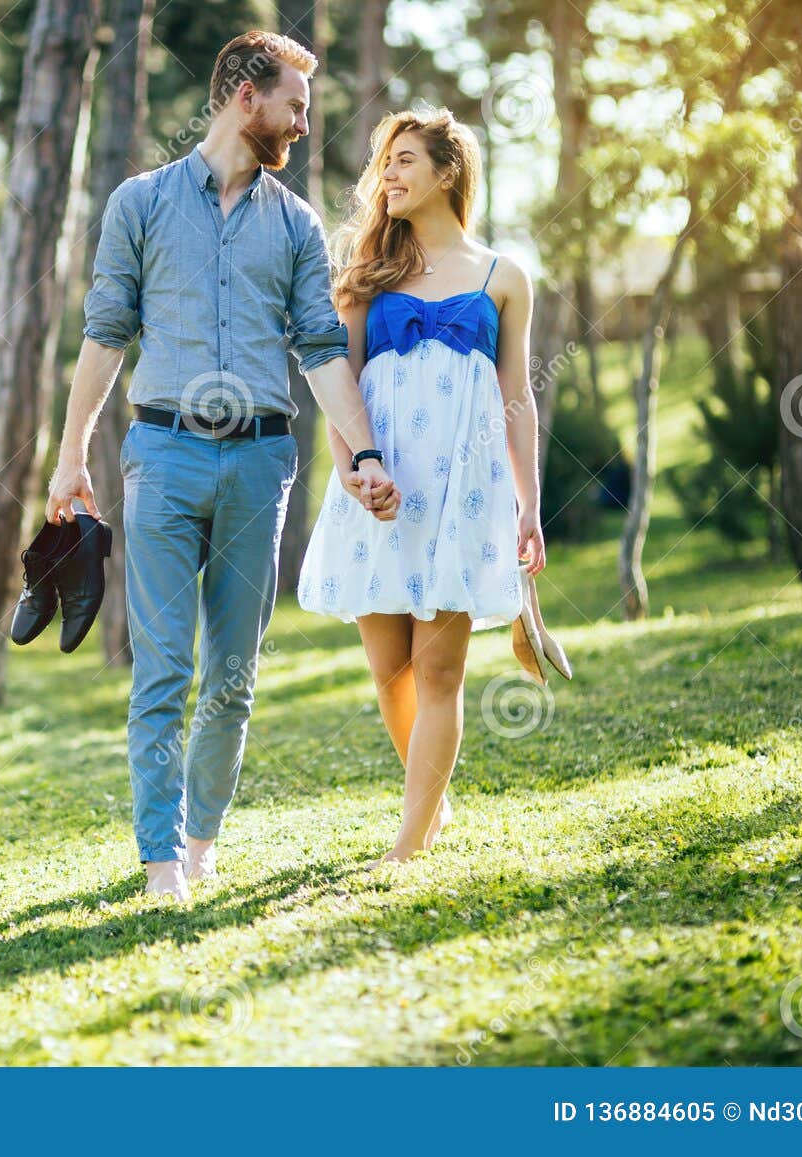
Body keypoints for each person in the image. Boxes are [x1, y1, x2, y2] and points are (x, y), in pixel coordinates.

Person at [44, 31, 395, 901]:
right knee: (163, 669)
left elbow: (320, 350)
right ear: (246, 96)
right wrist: (67, 458)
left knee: (232, 677)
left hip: (260, 465)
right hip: (159, 456)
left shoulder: (297, 225)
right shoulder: (141, 204)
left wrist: (365, 453)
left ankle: (201, 843)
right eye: (295, 105)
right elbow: (103, 336)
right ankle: (159, 863)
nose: (304, 125)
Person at [298, 109, 546, 864]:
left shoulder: (505, 277)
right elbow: (336, 378)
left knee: (439, 670)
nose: (389, 175)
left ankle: (409, 840)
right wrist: (351, 467)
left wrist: (528, 502)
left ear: (448, 172)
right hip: (381, 487)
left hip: (462, 497)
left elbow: (518, 395)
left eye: (405, 159)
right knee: (390, 671)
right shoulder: (367, 270)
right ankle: (431, 801)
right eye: (384, 163)